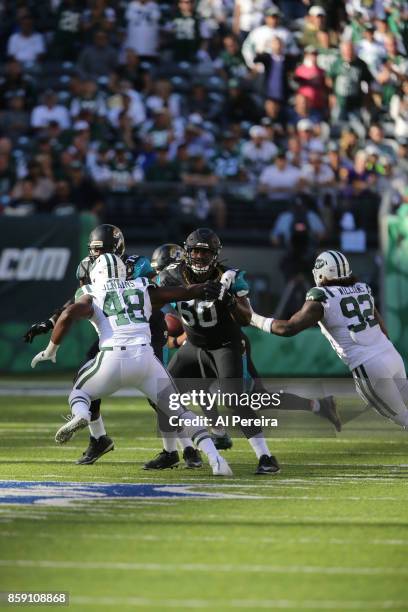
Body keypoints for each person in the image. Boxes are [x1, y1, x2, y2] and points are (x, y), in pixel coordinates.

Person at [30, 253, 233, 477]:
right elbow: (182, 292)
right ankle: (217, 460)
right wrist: (205, 287)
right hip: (145, 359)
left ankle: (82, 415)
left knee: (80, 392)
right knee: (181, 412)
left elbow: (68, 313)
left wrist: (51, 350)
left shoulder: (90, 292)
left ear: (96, 273)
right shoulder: (141, 285)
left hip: (110, 358)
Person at [144, 227, 280, 475]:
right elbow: (151, 301)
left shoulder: (230, 277)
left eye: (205, 254)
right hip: (193, 345)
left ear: (215, 255)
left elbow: (245, 318)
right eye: (195, 252)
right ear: (186, 252)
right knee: (161, 394)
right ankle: (173, 452)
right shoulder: (170, 276)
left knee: (234, 400)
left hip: (224, 344)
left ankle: (266, 456)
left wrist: (229, 301)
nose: (199, 257)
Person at [23, 224, 162, 466]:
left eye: (103, 249)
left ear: (117, 248)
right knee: (86, 378)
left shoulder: (138, 265)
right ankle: (99, 438)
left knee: (159, 396)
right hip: (111, 333)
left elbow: (154, 297)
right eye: (95, 250)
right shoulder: (87, 266)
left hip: (144, 329)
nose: (97, 255)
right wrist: (51, 321)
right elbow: (83, 298)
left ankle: (186, 448)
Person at [250, 250, 408, 429]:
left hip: (368, 366)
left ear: (321, 272)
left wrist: (253, 318)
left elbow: (288, 328)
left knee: (403, 418)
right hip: (391, 355)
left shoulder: (322, 296)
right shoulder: (362, 288)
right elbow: (383, 329)